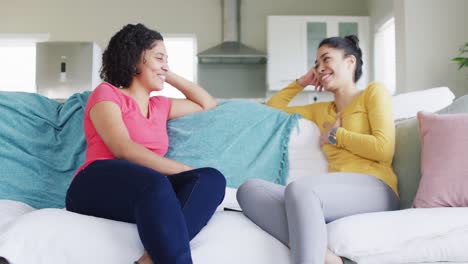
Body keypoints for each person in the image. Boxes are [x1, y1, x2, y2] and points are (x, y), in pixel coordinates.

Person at [65, 23, 226, 264]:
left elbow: (208, 104)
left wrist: (164, 72)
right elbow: (122, 148)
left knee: (211, 179)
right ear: (133, 60)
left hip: (149, 190)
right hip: (96, 183)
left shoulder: (160, 106)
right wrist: (184, 170)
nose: (165, 64)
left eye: (167, 59)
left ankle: (148, 260)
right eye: (159, 57)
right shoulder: (107, 93)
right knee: (156, 182)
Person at [237, 35, 399, 264]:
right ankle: (327, 258)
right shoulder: (320, 109)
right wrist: (301, 82)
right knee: (249, 190)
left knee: (301, 190)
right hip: (332, 194)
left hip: (376, 188)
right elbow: (271, 112)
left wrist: (336, 136)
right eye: (316, 64)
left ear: (350, 62)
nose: (320, 68)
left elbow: (384, 149)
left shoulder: (373, 93)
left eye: (326, 60)